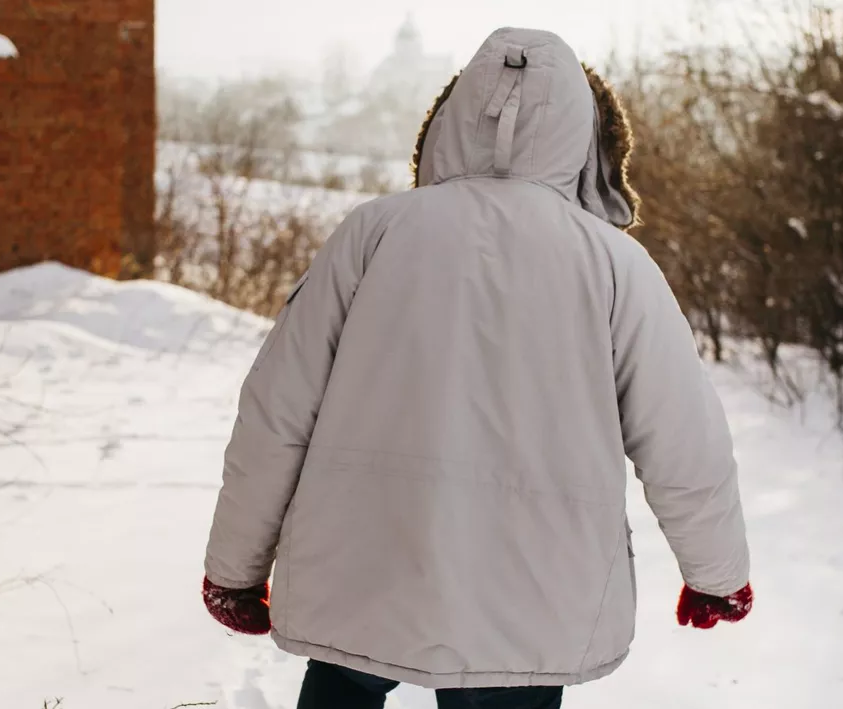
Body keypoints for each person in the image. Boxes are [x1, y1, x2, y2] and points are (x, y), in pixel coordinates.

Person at [201, 27, 753, 709]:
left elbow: (276, 411)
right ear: (588, 141)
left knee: (345, 676)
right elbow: (683, 436)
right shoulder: (614, 264)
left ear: (451, 119)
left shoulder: (372, 234)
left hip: (363, 570)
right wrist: (716, 573)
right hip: (532, 594)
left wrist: (235, 567)